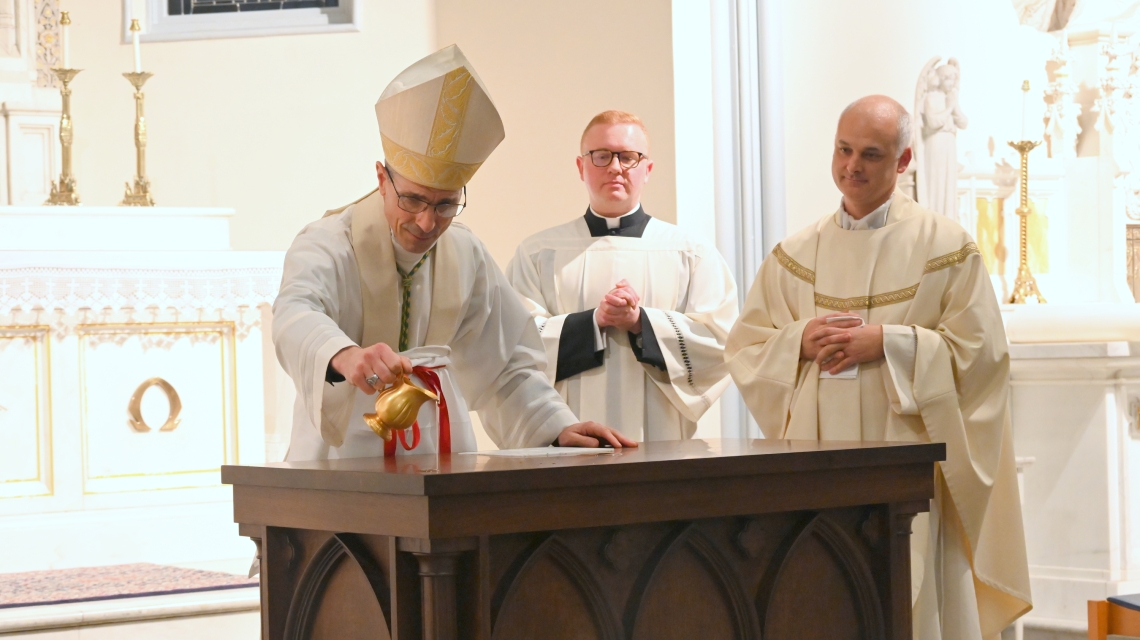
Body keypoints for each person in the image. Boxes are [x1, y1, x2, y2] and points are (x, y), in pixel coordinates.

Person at [724, 95, 1030, 639]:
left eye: (870, 154)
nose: (852, 167)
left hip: (908, 471)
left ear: (903, 161)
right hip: (817, 470)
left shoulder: (946, 246)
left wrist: (889, 343)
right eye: (843, 150)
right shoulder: (795, 253)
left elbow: (983, 356)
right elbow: (746, 348)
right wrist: (799, 341)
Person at [273, 45, 635, 460]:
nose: (427, 223)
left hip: (438, 451)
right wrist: (344, 353)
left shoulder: (465, 252)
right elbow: (295, 313)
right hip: (341, 455)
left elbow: (505, 365)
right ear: (381, 178)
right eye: (412, 200)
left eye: (445, 205)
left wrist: (557, 427)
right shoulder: (330, 242)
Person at [499, 110, 737, 442]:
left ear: (648, 169)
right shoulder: (539, 252)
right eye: (602, 156)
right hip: (569, 442)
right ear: (581, 167)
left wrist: (641, 323)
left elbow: (721, 342)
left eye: (628, 157)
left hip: (660, 441)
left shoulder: (690, 252)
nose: (615, 167)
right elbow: (512, 346)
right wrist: (593, 322)